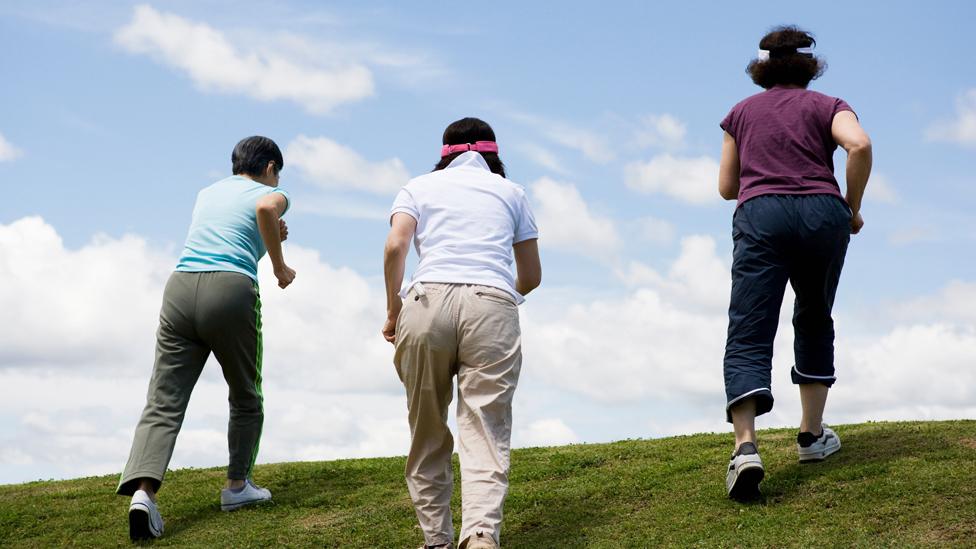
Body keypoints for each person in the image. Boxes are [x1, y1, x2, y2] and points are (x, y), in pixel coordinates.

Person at [718, 26, 872, 500]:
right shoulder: (830, 105)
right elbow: (859, 146)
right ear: (809, 65)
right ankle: (810, 435)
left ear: (763, 67)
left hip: (761, 213)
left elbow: (727, 187)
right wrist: (851, 206)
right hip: (822, 214)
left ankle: (746, 448)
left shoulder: (741, 113)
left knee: (750, 324)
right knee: (813, 315)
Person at [117, 136, 297, 539]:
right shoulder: (272, 193)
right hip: (230, 289)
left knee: (164, 399)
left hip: (180, 287)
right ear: (270, 168)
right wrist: (280, 268)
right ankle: (237, 486)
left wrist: (269, 242)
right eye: (276, 175)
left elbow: (228, 235)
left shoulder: (207, 193)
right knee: (246, 392)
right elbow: (265, 208)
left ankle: (143, 494)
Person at [383, 117, 542, 549]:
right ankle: (480, 535)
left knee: (427, 428)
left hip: (425, 303)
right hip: (491, 303)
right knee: (485, 428)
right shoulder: (512, 193)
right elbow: (531, 275)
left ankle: (436, 540)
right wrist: (496, 295)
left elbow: (396, 246)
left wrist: (393, 311)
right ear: (492, 154)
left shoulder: (417, 187)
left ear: (443, 152)